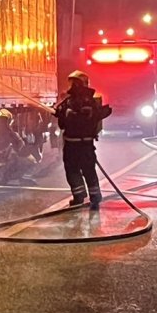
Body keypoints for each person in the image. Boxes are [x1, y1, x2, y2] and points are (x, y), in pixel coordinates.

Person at [54, 70, 112, 209]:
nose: (73, 86)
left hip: (73, 145)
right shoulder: (90, 102)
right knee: (88, 170)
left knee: (73, 170)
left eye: (75, 83)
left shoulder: (69, 102)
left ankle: (80, 196)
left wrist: (62, 114)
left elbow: (64, 123)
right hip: (86, 145)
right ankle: (95, 197)